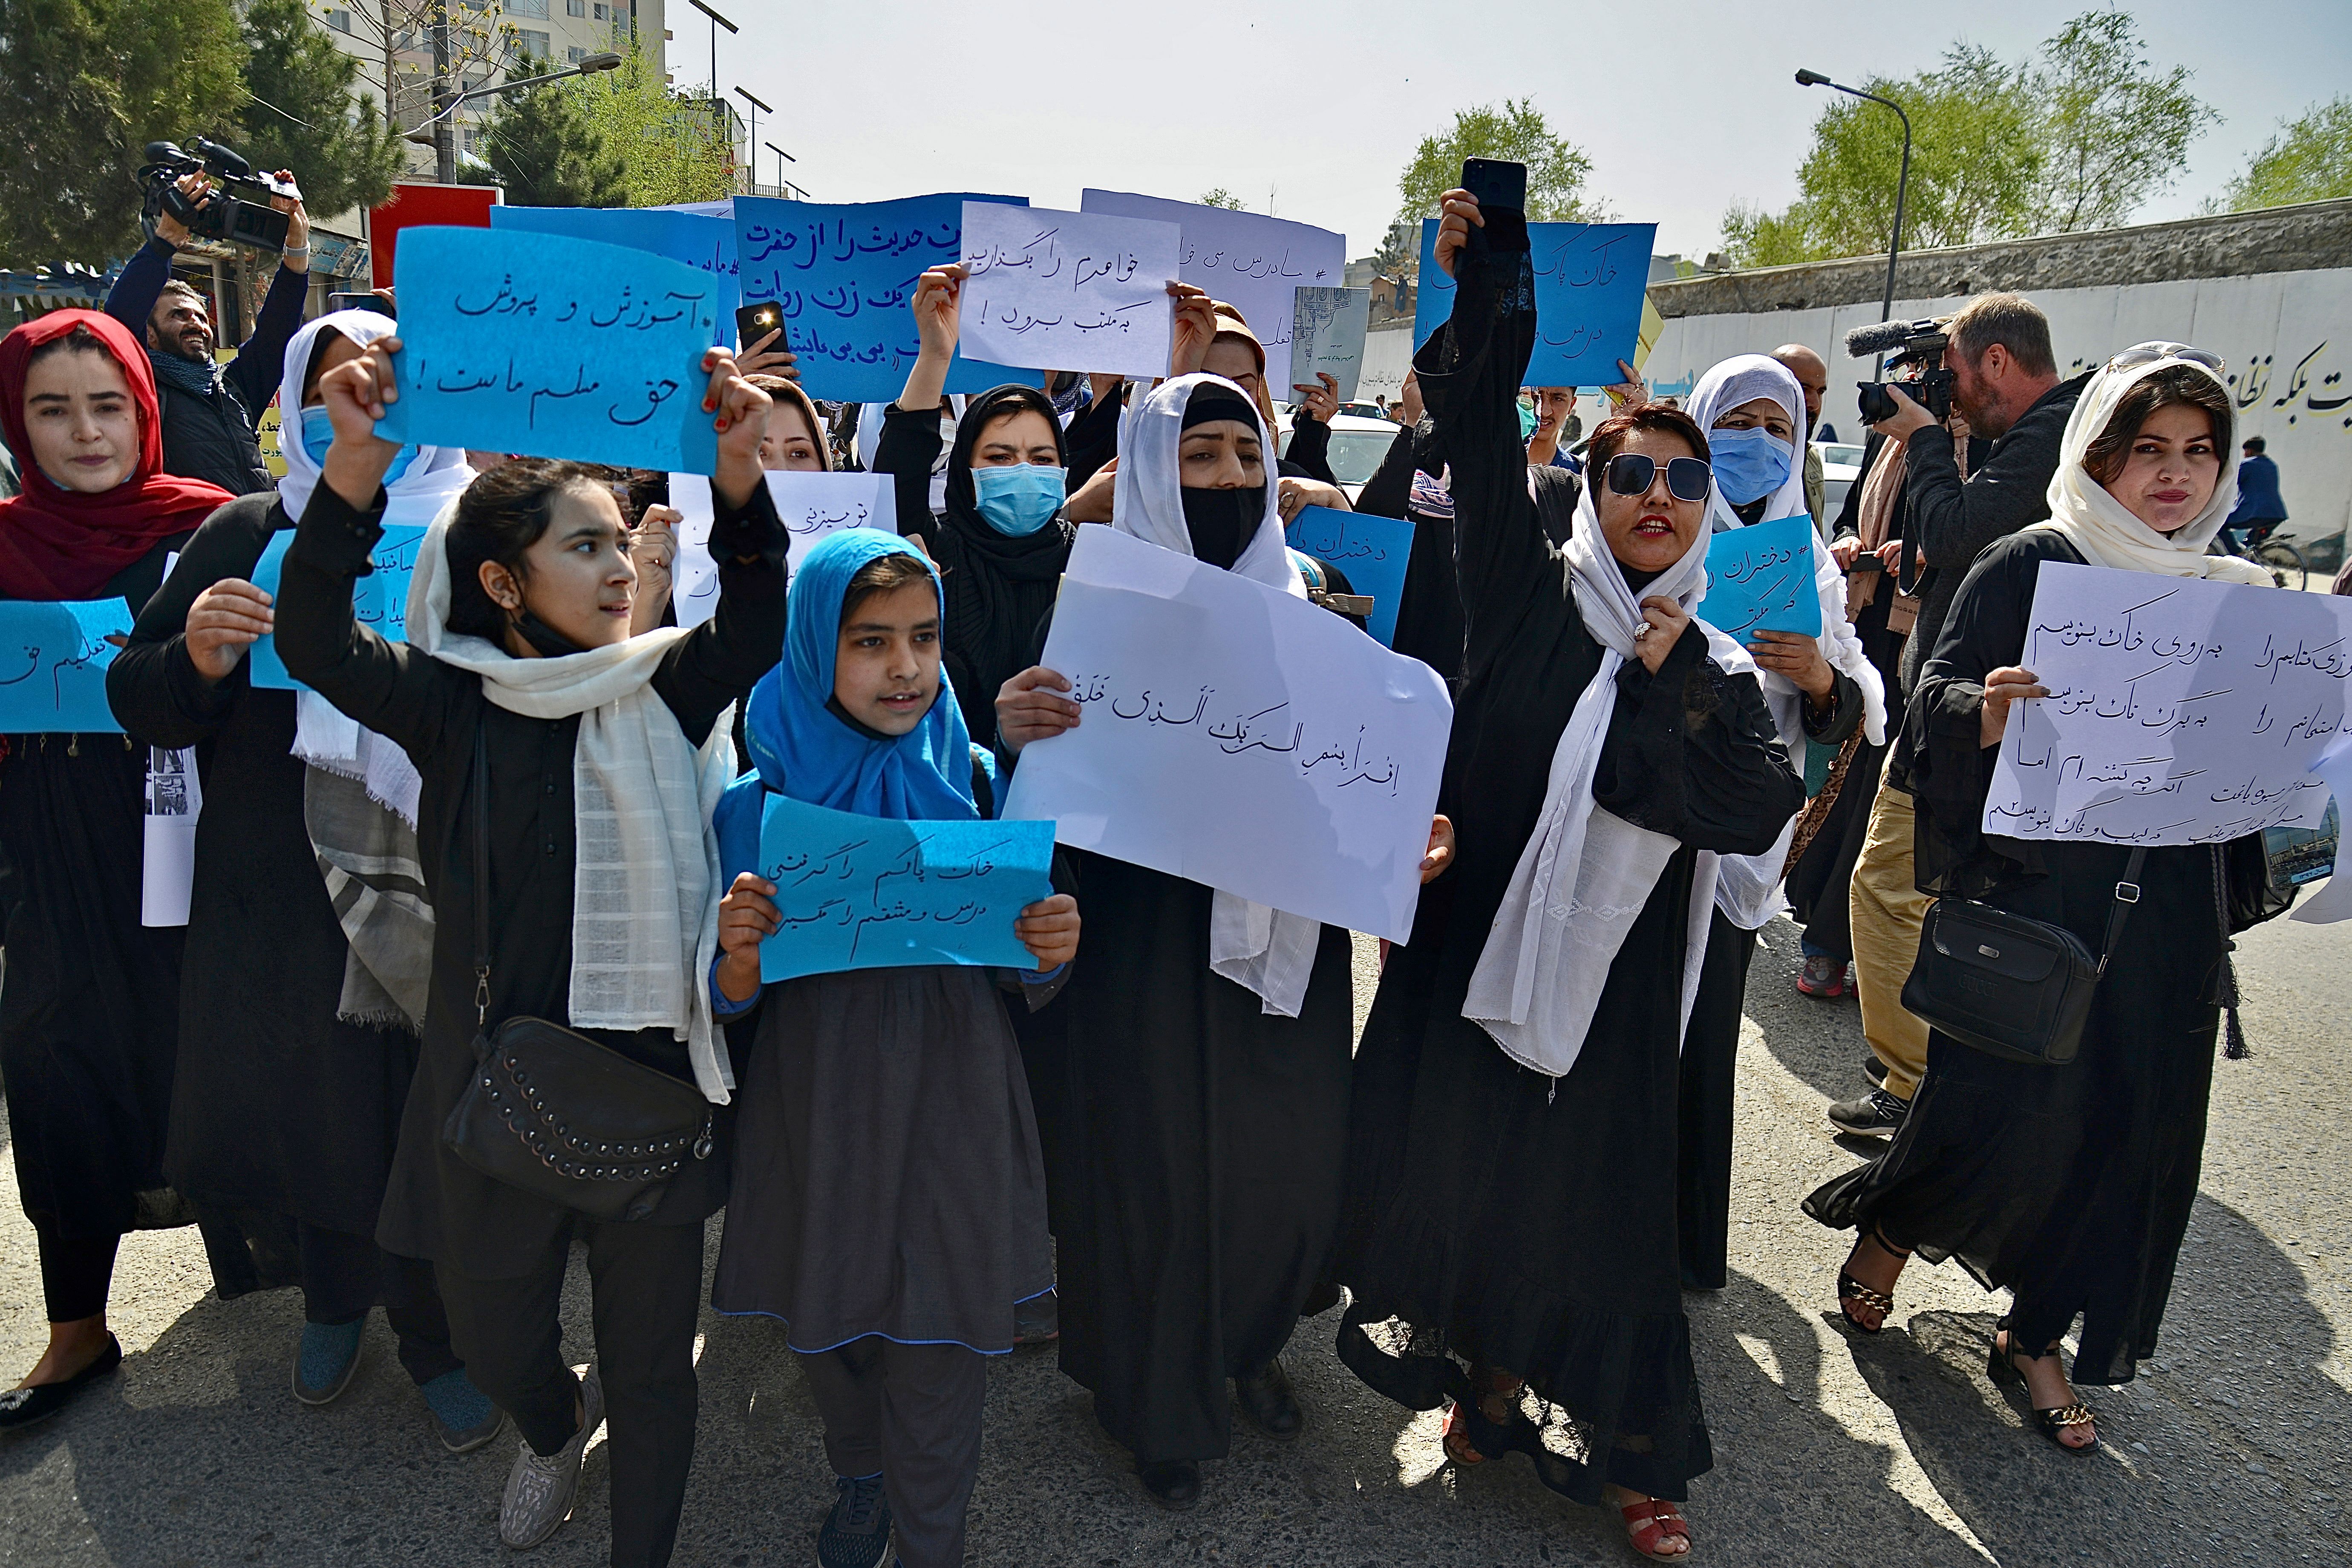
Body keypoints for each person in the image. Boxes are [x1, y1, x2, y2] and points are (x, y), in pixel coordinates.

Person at [1332, 189, 1802, 1562]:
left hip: (1615, 985)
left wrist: (1672, 691)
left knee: (1597, 1215)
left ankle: (1634, 1458)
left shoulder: (1708, 658)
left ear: (1707, 505)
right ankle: (1483, 1383)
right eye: (1627, 476)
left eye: (1681, 478)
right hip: (1478, 947)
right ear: (1589, 498)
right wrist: (1497, 267)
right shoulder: (1531, 603)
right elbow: (1473, 433)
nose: (1655, 496)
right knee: (1475, 1174)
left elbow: (1749, 804)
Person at [274, 334, 784, 1567]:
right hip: (489, 1078)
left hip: (653, 1078)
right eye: (585, 546)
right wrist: (353, 471)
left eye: (622, 541)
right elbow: (312, 644)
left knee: (656, 1369)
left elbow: (757, 620)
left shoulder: (666, 686)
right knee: (497, 1334)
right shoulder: (450, 705)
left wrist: (738, 473)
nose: (620, 569)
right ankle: (553, 1432)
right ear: (503, 584)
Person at [1805, 344, 2288, 1454]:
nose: (2175, 474)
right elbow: (1930, 701)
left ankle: (2036, 1336)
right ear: (2102, 454)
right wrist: (1987, 710)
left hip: (2166, 917)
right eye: (2150, 449)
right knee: (1994, 1115)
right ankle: (1894, 1221)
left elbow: (2263, 778)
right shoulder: (2035, 561)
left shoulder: (2235, 593)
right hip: (2044, 899)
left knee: (2124, 1140)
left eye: (2198, 451)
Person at [992, 371, 1413, 1511]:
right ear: (1147, 467)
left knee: (1281, 1171)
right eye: (1199, 455)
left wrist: (1395, 841)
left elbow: (1359, 769)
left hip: (1282, 946)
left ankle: (1249, 1343)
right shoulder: (1094, 605)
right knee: (1153, 1180)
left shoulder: (1312, 602)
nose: (1228, 478)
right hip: (1139, 948)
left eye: (1245, 455)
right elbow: (1043, 784)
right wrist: (1011, 726)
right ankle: (1152, 1400)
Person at [105, 310, 499, 1447]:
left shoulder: (478, 529)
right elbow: (140, 699)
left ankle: (435, 1334)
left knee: (425, 1104)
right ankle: (332, 1302)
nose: (356, 410)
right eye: (331, 390)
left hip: (437, 864)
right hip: (279, 880)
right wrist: (202, 655)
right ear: (293, 400)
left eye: (379, 387)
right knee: (317, 1105)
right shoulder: (241, 530)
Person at [706, 528, 1079, 1568]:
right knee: (829, 1327)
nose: (905, 666)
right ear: (812, 642)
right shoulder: (756, 804)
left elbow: (1025, 972)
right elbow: (725, 1003)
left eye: (923, 637)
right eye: (868, 641)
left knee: (939, 1340)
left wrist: (1052, 943)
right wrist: (736, 953)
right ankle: (857, 1466)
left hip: (955, 1098)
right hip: (813, 1105)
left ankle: (929, 1538)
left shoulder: (976, 775)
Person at [0, 311, 235, 1432]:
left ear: (146, 411)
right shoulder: (2, 543)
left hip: (183, 824)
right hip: (46, 845)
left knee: (209, 1043)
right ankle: (76, 1327)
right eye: (52, 408)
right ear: (17, 421)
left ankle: (274, 1282)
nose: (83, 432)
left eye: (106, 404)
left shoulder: (207, 531)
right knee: (54, 1065)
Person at [1832, 294, 2088, 1140]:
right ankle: (1940, 1078)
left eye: (1954, 375)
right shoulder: (2047, 437)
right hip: (1975, 707)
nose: (1948, 392)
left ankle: (1917, 1088)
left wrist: (1926, 442)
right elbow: (1971, 542)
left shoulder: (2051, 437)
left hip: (1974, 717)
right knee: (1928, 898)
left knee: (1887, 890)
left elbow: (1954, 530)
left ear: (1998, 364)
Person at [1672, 355, 1881, 1291]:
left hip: (1740, 835)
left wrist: (1818, 676)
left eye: (1776, 427)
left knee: (1704, 1036)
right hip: (1647, 823)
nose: (1755, 442)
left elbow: (1861, 699)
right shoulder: (1655, 523)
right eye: (1736, 420)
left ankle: (1679, 1241)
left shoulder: (1808, 560)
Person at [871, 264, 1076, 750]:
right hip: (957, 803)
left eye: (1041, 458)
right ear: (966, 471)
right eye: (1000, 458)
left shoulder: (1090, 563)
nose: (1023, 470)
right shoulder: (936, 557)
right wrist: (935, 356)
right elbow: (894, 485)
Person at [103, 172, 313, 495]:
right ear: (151, 335)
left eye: (201, 316)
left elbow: (277, 332)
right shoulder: (143, 393)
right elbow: (119, 322)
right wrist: (167, 239)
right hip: (187, 543)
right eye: (179, 315)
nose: (197, 324)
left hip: (256, 535)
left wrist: (297, 242)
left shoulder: (234, 387)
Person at [1770, 343, 1830, 530]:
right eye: (1803, 389)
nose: (1814, 404)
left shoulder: (1810, 457)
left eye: (1820, 392)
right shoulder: (1743, 456)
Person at [2221, 434, 2286, 552]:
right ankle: (2251, 561)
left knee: (2220, 523)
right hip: (2276, 514)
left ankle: (2236, 553)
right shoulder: (2272, 465)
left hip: (2255, 513)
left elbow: (2228, 483)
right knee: (2251, 547)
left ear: (2249, 451)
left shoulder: (2248, 464)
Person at [1526, 386, 1580, 470]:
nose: (1545, 412)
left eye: (1558, 399)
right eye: (1536, 397)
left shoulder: (1582, 476)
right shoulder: (1500, 467)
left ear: (1571, 405)